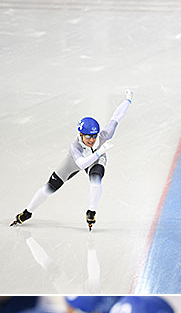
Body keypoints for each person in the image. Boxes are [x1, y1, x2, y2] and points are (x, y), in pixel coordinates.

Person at [11, 92, 134, 230]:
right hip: (75, 161)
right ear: (80, 135)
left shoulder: (104, 136)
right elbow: (81, 164)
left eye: (94, 136)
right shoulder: (74, 146)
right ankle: (27, 212)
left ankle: (91, 212)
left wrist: (128, 100)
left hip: (96, 160)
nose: (92, 140)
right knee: (49, 187)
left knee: (96, 179)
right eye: (88, 137)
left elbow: (117, 116)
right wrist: (99, 151)